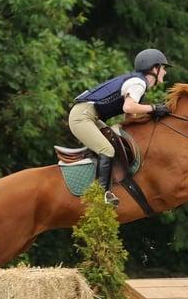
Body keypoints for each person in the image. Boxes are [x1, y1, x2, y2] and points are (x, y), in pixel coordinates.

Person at [69, 48, 172, 206]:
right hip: (82, 117)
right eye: (163, 68)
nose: (164, 72)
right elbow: (129, 107)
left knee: (115, 144)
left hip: (89, 116)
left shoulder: (136, 82)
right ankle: (101, 195)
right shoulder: (139, 83)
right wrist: (153, 108)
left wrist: (150, 116)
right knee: (107, 150)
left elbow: (129, 117)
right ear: (154, 68)